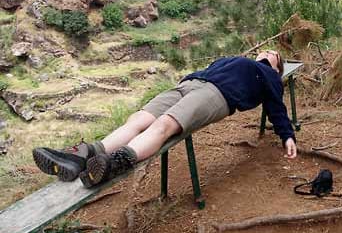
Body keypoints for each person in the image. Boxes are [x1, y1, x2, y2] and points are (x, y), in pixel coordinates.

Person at [32, 50, 298, 188]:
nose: (268, 51)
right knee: (137, 119)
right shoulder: (238, 60)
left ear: (277, 66)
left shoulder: (270, 76)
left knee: (165, 125)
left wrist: (287, 135)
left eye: (274, 54)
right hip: (191, 83)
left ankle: (114, 163)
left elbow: (276, 107)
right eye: (267, 51)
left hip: (217, 95)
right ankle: (85, 156)